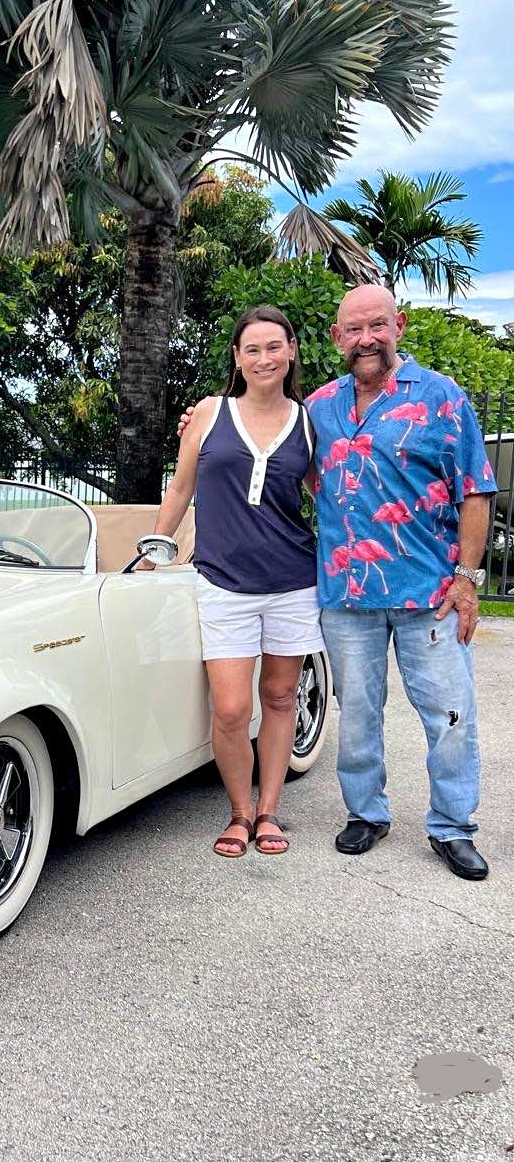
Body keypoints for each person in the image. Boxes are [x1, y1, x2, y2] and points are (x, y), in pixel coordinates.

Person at [180, 285, 497, 880]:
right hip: (346, 595)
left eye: (377, 326)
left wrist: (466, 577)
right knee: (356, 711)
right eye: (353, 330)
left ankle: (453, 827)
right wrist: (198, 429)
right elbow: (269, 455)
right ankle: (366, 812)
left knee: (450, 713)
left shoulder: (442, 397)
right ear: (335, 339)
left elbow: (475, 488)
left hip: (428, 593)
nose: (366, 339)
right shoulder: (317, 409)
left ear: (398, 325)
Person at [143, 305, 323, 857]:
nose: (264, 358)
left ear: (291, 351)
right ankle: (237, 812)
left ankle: (267, 812)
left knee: (279, 695)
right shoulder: (208, 413)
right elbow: (179, 489)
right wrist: (154, 550)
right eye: (252, 349)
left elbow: (331, 498)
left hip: (293, 581)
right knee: (229, 709)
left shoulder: (311, 421)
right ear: (238, 357)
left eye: (274, 346)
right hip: (221, 582)